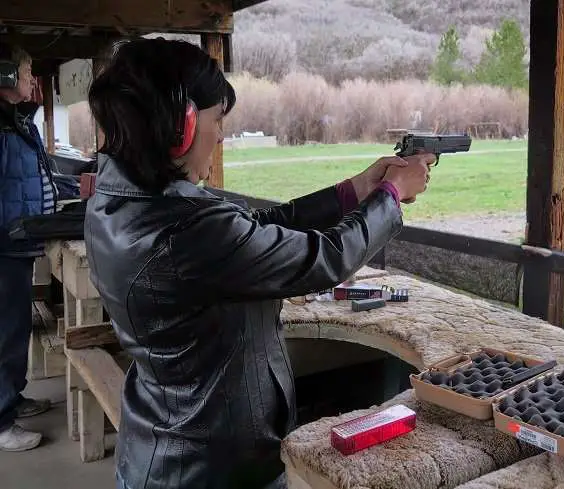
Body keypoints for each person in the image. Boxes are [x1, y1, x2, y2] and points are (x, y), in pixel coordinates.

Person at [84, 38, 434, 489]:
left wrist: (353, 192)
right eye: (217, 120)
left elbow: (249, 230)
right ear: (181, 126)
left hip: (163, 444)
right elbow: (323, 259)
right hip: (213, 469)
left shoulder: (123, 202)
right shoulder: (186, 229)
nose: (222, 134)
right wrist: (390, 197)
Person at [0, 42, 55, 452]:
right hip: (4, 245)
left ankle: (12, 399)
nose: (31, 79)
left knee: (16, 327)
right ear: (4, 77)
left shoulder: (14, 121)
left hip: (16, 242)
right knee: (5, 330)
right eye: (25, 71)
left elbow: (30, 178)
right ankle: (2, 421)